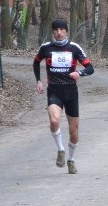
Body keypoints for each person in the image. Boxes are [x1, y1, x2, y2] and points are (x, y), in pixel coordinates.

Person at [33, 18, 94, 174]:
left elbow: (90, 68)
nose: (59, 33)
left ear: (66, 31)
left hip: (71, 92)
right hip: (54, 90)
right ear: (52, 31)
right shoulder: (46, 48)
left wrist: (79, 73)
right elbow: (36, 62)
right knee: (54, 120)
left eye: (62, 30)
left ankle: (71, 160)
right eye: (56, 30)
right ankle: (60, 150)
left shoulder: (74, 48)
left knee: (74, 131)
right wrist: (39, 80)